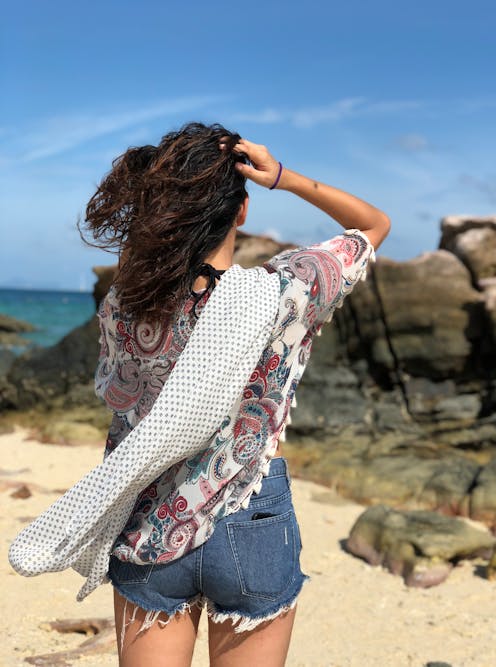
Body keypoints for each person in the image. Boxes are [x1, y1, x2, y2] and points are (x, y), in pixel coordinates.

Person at [80, 122, 390, 667]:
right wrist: (282, 177)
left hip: (150, 517)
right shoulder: (287, 289)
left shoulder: (128, 302)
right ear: (241, 212)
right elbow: (373, 225)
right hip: (251, 513)